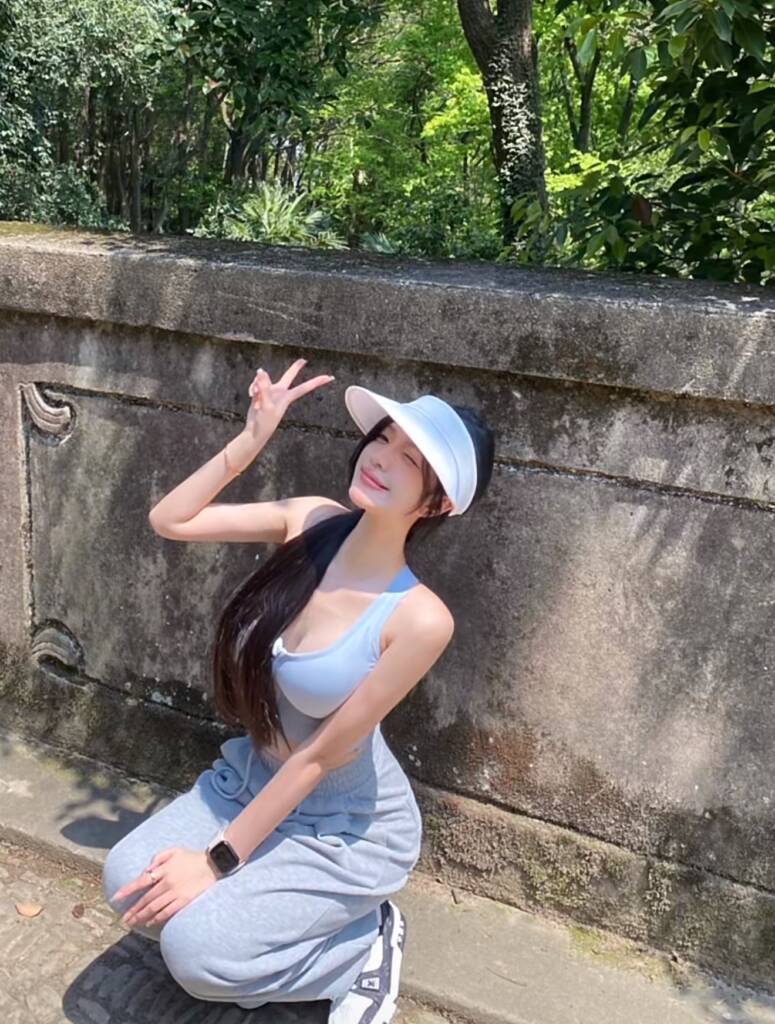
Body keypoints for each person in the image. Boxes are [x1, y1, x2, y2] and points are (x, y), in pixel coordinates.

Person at [102, 359, 496, 1023]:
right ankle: (274, 921)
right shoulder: (311, 520)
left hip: (342, 823)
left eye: (410, 460)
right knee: (128, 885)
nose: (381, 458)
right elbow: (170, 519)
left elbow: (320, 756)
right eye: (382, 439)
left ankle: (363, 948)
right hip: (251, 779)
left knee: (199, 957)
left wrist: (216, 862)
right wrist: (251, 439)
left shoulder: (419, 619)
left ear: (437, 505)